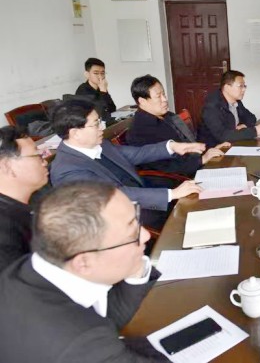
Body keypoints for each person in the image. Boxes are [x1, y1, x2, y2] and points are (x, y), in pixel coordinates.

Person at [0, 182, 169, 362]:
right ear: (84, 262)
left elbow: (108, 316)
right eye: (131, 234)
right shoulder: (81, 345)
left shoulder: (33, 267)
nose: (146, 235)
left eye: (136, 220)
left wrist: (134, 267)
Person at [49, 100, 204, 229]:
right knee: (185, 217)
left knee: (194, 202)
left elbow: (137, 154)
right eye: (96, 124)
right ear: (75, 133)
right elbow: (114, 195)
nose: (102, 128)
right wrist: (172, 194)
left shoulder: (99, 144)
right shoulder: (67, 170)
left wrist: (172, 146)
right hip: (120, 219)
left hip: (140, 197)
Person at [126, 75, 230, 180]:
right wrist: (201, 160)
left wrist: (210, 149)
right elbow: (164, 167)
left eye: (164, 94)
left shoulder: (168, 116)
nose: (165, 99)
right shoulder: (140, 130)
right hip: (179, 179)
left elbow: (188, 143)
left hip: (193, 165)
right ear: (142, 101)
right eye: (158, 96)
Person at [0, 126, 49, 271]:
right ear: (7, 166)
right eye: (37, 155)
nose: (45, 162)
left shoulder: (38, 196)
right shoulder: (5, 230)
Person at [197, 70, 260, 147]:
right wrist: (254, 131)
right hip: (214, 148)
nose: (244, 89)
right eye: (240, 86)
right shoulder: (212, 107)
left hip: (232, 143)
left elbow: (251, 118)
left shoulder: (236, 102)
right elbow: (222, 135)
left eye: (244, 86)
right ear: (227, 87)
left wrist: (245, 125)